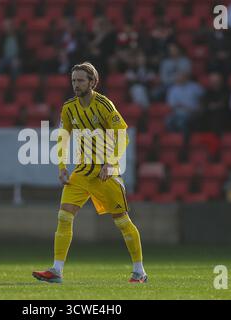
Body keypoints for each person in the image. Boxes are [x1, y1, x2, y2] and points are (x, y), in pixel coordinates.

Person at [32, 62, 147, 284]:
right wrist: (62, 167)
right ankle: (56, 270)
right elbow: (63, 137)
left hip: (105, 173)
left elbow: (122, 134)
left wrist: (110, 163)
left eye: (80, 80)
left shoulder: (104, 104)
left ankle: (139, 272)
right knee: (64, 216)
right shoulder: (69, 107)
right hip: (82, 172)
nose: (76, 84)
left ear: (92, 82)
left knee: (122, 222)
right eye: (73, 80)